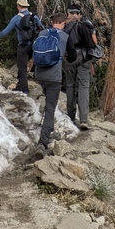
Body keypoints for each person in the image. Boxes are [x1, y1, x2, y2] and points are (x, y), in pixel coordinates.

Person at [32, 12, 77, 155]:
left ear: (52, 22)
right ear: (63, 23)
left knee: (50, 103)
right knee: (50, 108)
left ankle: (48, 129)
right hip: (54, 78)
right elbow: (72, 57)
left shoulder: (42, 33)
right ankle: (42, 143)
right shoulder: (65, 37)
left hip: (40, 75)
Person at [0, 0, 42, 94]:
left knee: (22, 68)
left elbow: (5, 32)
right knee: (24, 66)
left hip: (23, 46)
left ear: (18, 6)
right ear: (26, 6)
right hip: (33, 46)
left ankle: (25, 90)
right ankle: (20, 86)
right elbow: (42, 27)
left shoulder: (16, 18)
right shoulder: (34, 16)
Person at [63, 5, 97, 130]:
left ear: (68, 13)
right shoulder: (86, 24)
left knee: (70, 85)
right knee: (84, 86)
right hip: (85, 57)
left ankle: (71, 116)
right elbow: (94, 43)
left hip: (69, 58)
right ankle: (83, 119)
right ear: (79, 14)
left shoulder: (65, 25)